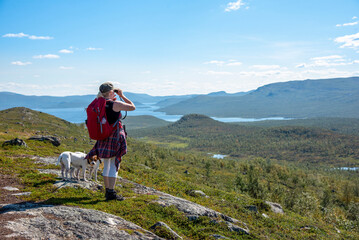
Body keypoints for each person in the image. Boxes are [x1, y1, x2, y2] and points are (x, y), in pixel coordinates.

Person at [86, 82, 135, 200]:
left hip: (103, 137)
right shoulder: (116, 104)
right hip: (114, 137)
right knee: (113, 165)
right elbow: (132, 107)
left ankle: (108, 191)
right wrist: (122, 96)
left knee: (107, 165)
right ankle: (111, 192)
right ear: (111, 92)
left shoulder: (98, 103)